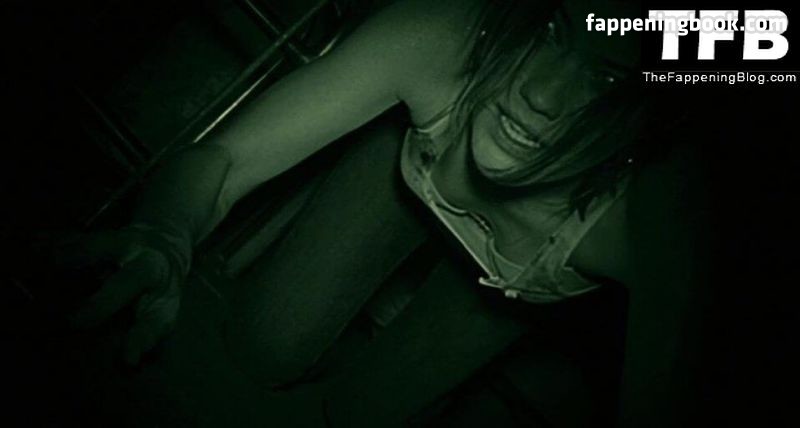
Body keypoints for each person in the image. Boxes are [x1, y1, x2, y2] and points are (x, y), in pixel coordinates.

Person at [70, 0, 705, 426]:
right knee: (262, 344)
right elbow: (227, 161)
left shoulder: (654, 222)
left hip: (519, 282)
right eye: (550, 31)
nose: (542, 94)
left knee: (366, 415)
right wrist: (165, 230)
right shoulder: (444, 35)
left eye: (608, 78)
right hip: (410, 166)